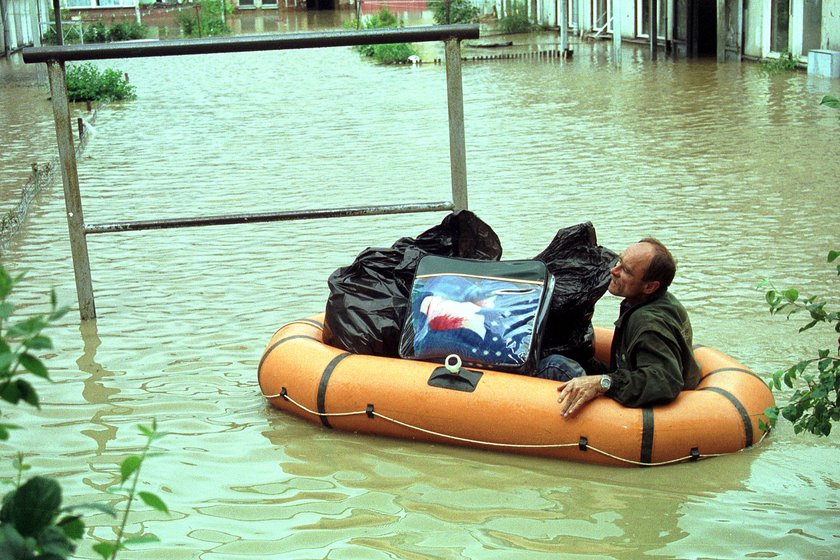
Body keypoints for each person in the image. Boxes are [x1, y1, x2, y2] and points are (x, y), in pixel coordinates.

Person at [548, 238, 701, 416]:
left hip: (656, 411)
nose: (614, 270)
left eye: (626, 271)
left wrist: (602, 383)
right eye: (620, 261)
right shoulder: (659, 301)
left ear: (650, 287)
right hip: (635, 377)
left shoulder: (648, 322)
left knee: (555, 365)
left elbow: (665, 380)